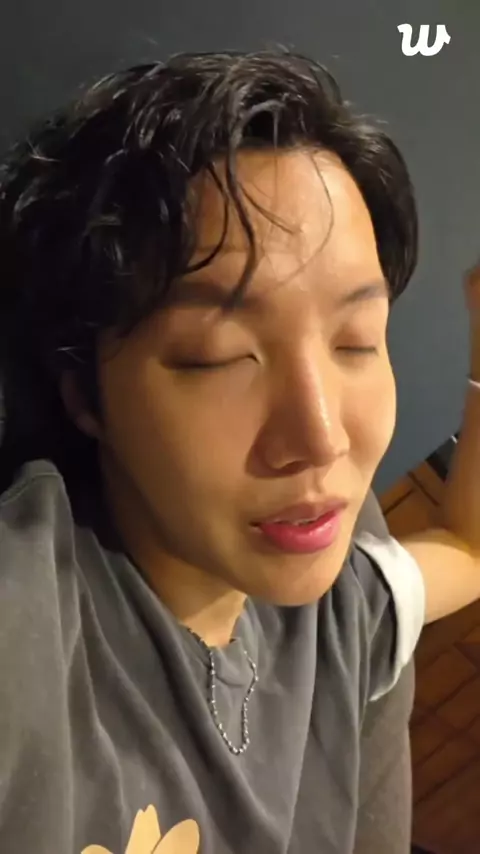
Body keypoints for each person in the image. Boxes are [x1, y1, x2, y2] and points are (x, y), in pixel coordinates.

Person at [0, 50, 478, 854]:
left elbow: (468, 550)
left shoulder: (340, 614)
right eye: (220, 357)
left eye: (357, 340)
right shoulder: (33, 625)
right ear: (84, 393)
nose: (322, 437)